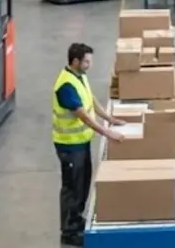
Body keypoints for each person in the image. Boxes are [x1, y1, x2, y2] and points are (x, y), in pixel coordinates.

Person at [52, 43, 127, 247]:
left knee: (83, 184)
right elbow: (83, 115)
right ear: (75, 61)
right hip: (69, 147)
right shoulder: (65, 85)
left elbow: (90, 100)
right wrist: (106, 132)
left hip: (81, 144)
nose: (90, 65)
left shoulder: (79, 76)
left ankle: (77, 221)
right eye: (86, 61)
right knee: (72, 188)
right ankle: (69, 232)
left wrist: (109, 118)